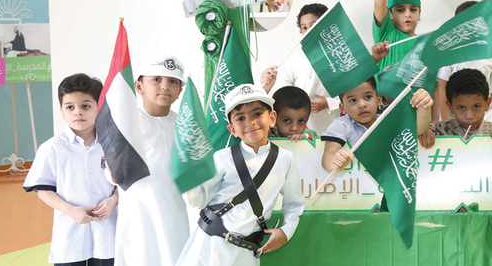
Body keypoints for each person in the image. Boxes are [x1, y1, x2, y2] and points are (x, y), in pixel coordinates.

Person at [176, 84, 305, 265]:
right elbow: (199, 200)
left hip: (247, 252)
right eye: (240, 118)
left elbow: (294, 204)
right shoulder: (221, 158)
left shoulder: (286, 159)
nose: (250, 122)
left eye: (257, 114)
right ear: (232, 130)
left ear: (272, 118)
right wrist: (189, 179)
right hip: (211, 247)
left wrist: (285, 232)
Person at [24, 73, 118, 266]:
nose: (78, 112)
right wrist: (71, 211)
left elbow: (124, 183)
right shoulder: (52, 148)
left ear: (99, 107)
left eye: (85, 106)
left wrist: (113, 201)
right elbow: (43, 190)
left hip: (108, 232)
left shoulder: (113, 144)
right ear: (62, 111)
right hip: (70, 235)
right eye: (70, 107)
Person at [110, 54, 189, 266]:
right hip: (139, 213)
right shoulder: (126, 124)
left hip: (174, 210)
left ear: (180, 91)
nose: (165, 86)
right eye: (156, 79)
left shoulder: (184, 124)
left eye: (173, 81)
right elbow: (111, 170)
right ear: (139, 86)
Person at [259, 3, 341, 134]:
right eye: (304, 28)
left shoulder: (337, 57)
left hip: (328, 121)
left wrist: (328, 103)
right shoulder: (295, 60)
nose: (308, 31)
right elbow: (284, 92)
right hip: (297, 125)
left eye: (313, 25)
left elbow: (346, 95)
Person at [321, 77, 432, 171]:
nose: (362, 104)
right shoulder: (341, 125)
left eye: (368, 97)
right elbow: (328, 154)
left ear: (378, 100)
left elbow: (418, 129)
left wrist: (424, 106)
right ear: (342, 108)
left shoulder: (386, 121)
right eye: (353, 100)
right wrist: (333, 162)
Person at [435, 1, 492, 125]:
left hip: (487, 119)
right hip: (456, 119)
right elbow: (442, 87)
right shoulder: (449, 54)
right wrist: (447, 121)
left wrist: (483, 118)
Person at [420, 69, 492, 149]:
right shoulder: (439, 131)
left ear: (487, 104)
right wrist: (424, 134)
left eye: (476, 106)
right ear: (450, 107)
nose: (470, 116)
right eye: (461, 108)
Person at [373, 0, 421, 72]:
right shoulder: (387, 33)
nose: (408, 14)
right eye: (401, 10)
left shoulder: (424, 44)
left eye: (413, 9)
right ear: (390, 14)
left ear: (419, 14)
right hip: (383, 83)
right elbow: (379, 6)